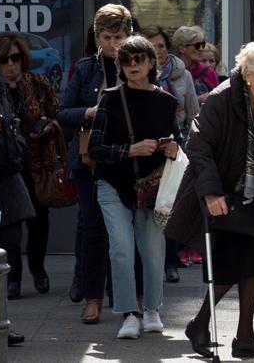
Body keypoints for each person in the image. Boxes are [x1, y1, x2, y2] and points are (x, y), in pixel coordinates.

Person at [168, 40, 254, 359]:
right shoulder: (222, 98)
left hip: (251, 191)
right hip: (221, 191)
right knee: (228, 265)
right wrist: (210, 193)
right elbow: (198, 146)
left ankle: (245, 337)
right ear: (249, 75)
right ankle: (199, 325)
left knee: (252, 264)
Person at [88, 35, 180, 340]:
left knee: (153, 252)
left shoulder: (166, 101)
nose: (132, 66)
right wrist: (130, 150)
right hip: (113, 183)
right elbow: (95, 148)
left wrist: (172, 149)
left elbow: (178, 141)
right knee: (122, 248)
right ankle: (128, 313)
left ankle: (152, 309)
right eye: (125, 61)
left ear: (152, 62)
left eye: (138, 59)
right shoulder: (111, 98)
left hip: (152, 187)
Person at [58, 3, 133, 324]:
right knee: (92, 229)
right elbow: (62, 112)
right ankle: (93, 297)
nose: (113, 44)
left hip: (128, 159)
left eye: (119, 37)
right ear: (96, 36)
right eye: (106, 37)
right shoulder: (85, 67)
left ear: (130, 35)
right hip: (90, 159)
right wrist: (90, 112)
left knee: (127, 230)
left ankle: (124, 294)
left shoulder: (139, 65)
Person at [0, 32, 60, 299]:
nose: (11, 64)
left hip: (37, 162)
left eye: (16, 58)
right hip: (8, 163)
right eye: (4, 60)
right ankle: (13, 277)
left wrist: (46, 125)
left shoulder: (39, 83)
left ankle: (38, 267)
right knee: (10, 223)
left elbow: (57, 114)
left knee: (39, 221)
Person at [144, 25, 200, 280]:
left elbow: (193, 114)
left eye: (162, 46)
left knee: (172, 205)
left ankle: (171, 262)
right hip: (147, 148)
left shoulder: (182, 74)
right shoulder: (140, 74)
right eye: (153, 46)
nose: (158, 51)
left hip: (177, 146)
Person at [0, 70, 32, 346]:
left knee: (8, 250)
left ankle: (0, 321)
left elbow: (14, 130)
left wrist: (4, 125)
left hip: (6, 179)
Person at [173, 25, 219, 102]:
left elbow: (220, 100)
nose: (201, 49)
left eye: (202, 45)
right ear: (182, 48)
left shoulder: (209, 72)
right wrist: (197, 100)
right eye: (197, 45)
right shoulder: (172, 72)